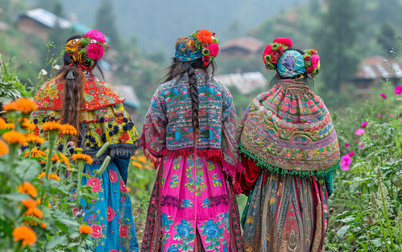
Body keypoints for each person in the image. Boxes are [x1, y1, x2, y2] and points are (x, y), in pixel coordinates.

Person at [30, 30, 140, 251]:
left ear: (67, 58)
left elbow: (31, 143)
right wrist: (120, 180)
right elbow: (125, 146)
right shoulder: (107, 96)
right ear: (94, 62)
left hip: (56, 179)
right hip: (99, 182)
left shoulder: (45, 93)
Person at [140, 29, 243, 251]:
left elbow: (152, 133)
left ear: (177, 62)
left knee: (175, 223)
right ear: (206, 61)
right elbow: (231, 137)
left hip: (175, 173)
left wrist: (161, 149)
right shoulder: (221, 92)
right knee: (214, 224)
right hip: (212, 172)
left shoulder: (164, 92)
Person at [236, 38, 340, 251]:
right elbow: (326, 165)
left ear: (277, 72)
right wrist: (324, 190)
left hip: (269, 191)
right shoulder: (318, 108)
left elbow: (249, 161)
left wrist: (248, 185)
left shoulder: (263, 104)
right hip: (307, 195)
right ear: (307, 74)